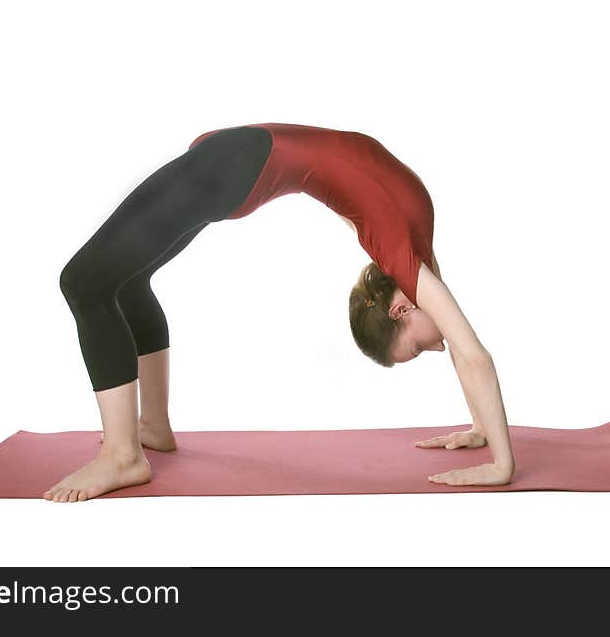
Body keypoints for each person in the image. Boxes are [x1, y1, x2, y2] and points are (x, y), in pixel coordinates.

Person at [48, 123, 515, 503]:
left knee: (107, 282)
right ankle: (135, 444)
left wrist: (485, 434)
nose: (437, 345)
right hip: (234, 162)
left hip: (237, 158)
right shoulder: (402, 256)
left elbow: (464, 349)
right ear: (401, 307)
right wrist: (500, 463)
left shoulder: (411, 249)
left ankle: (138, 441)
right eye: (417, 346)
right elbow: (473, 355)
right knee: (94, 283)